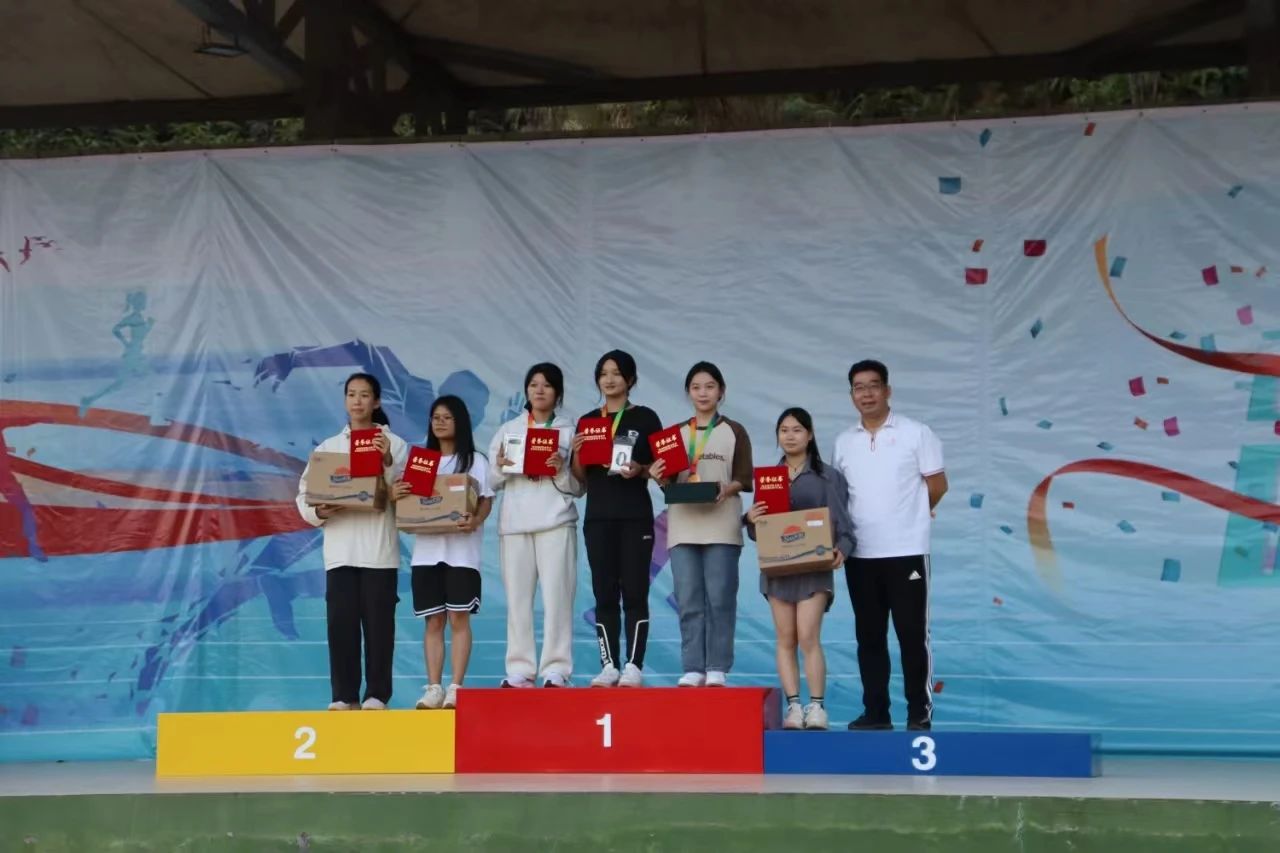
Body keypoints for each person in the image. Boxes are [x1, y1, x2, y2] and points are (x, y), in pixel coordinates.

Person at [832, 359, 947, 731]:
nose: (866, 394)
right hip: (860, 554)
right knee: (869, 637)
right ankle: (876, 713)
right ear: (852, 394)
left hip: (906, 551)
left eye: (873, 385)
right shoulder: (844, 442)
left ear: (887, 390)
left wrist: (913, 514)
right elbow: (840, 497)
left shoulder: (917, 433)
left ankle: (919, 712)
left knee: (912, 635)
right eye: (858, 387)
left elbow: (938, 485)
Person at [296, 372, 408, 710]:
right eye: (351, 394)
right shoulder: (328, 448)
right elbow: (304, 496)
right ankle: (344, 696)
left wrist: (386, 460)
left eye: (364, 395)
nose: (357, 401)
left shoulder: (396, 444)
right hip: (340, 551)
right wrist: (320, 510)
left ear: (376, 401)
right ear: (345, 401)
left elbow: (407, 492)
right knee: (340, 627)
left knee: (379, 628)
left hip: (379, 551)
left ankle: (377, 694)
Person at [744, 408, 854, 730]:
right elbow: (759, 532)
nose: (790, 436)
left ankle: (817, 707)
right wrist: (751, 519)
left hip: (814, 568)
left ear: (810, 435)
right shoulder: (768, 477)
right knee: (785, 638)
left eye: (797, 430)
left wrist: (843, 548)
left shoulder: (828, 476)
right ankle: (793, 706)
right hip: (778, 570)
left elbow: (844, 524)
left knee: (808, 636)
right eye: (784, 430)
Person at [650, 361, 752, 687]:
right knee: (689, 600)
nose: (703, 393)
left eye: (710, 386)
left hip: (722, 526)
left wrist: (728, 489)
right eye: (696, 387)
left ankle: (717, 666)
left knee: (720, 598)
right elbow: (669, 482)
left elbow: (744, 477)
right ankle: (693, 666)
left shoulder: (734, 430)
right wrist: (658, 477)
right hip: (683, 527)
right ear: (688, 393)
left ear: (721, 391)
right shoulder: (675, 434)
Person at [392, 395, 494, 710]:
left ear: (460, 422)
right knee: (433, 621)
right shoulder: (422, 462)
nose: (440, 422)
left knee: (458, 617)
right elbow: (411, 505)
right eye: (435, 417)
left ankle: (456, 687)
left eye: (447, 417)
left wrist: (475, 520)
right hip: (426, 553)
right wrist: (400, 496)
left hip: (462, 553)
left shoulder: (475, 461)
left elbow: (486, 500)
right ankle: (434, 687)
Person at [570, 350, 663, 688]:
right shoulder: (588, 421)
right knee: (604, 593)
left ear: (630, 379)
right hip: (598, 518)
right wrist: (577, 452)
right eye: (603, 373)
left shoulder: (646, 418)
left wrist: (640, 469)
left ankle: (633, 666)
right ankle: (608, 665)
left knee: (635, 592)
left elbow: (661, 469)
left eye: (616, 373)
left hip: (635, 517)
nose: (609, 380)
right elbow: (580, 477)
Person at [489, 362, 584, 687]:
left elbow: (578, 488)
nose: (539, 390)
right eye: (533, 384)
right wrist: (501, 467)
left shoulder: (569, 431)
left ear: (557, 393)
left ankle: (557, 668)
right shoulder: (509, 429)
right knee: (517, 600)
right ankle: (520, 668)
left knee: (558, 599)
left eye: (547, 385)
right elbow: (492, 481)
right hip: (515, 524)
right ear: (526, 391)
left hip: (556, 522)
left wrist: (560, 470)